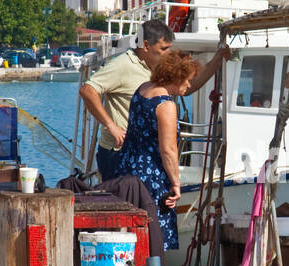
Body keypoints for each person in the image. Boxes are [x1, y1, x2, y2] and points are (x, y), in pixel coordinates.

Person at [80, 18, 229, 182]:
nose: (168, 54)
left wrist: (217, 59)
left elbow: (187, 88)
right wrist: (111, 126)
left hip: (145, 156)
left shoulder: (157, 67)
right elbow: (88, 90)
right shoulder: (123, 64)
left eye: (169, 49)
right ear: (145, 46)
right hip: (116, 153)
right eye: (163, 49)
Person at [114, 52, 198, 251]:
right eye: (187, 80)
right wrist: (177, 183)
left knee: (129, 235)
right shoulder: (165, 104)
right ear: (176, 76)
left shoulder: (142, 89)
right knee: (153, 240)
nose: (189, 85)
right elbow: (168, 149)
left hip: (127, 168)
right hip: (151, 179)